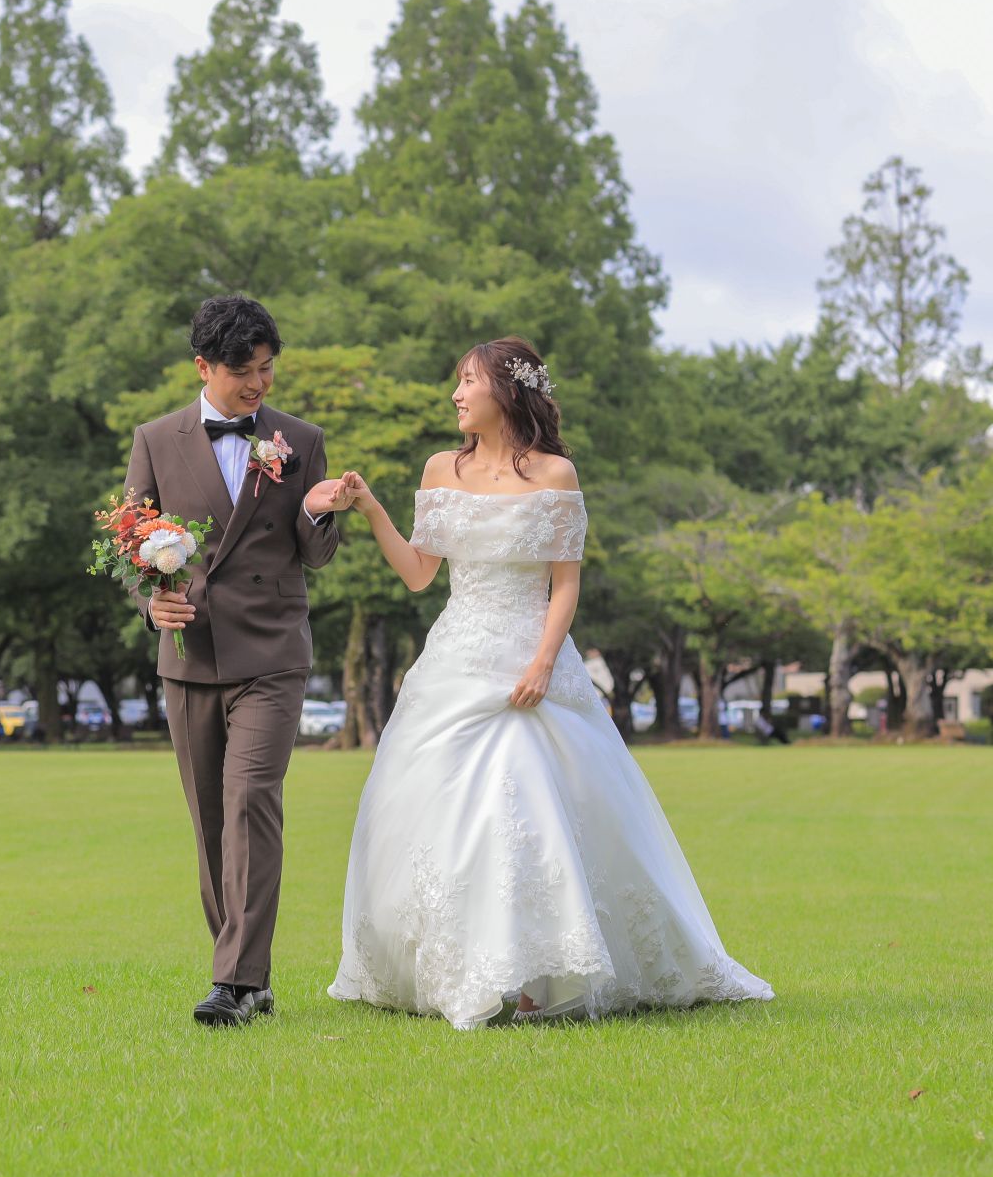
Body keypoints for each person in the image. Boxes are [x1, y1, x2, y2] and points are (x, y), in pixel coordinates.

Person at [327, 336, 773, 1029]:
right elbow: (420, 573)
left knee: (530, 808)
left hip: (531, 660)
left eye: (468, 382)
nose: (456, 395)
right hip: (455, 661)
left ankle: (538, 980)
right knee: (443, 817)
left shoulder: (556, 476)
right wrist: (370, 509)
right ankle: (458, 971)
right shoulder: (440, 468)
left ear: (506, 392)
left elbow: (565, 586)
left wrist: (540, 663)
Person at [121, 295, 354, 1027]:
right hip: (188, 655)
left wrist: (320, 510)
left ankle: (233, 981)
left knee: (252, 801)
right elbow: (133, 543)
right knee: (210, 821)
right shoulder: (155, 440)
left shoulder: (300, 439)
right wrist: (150, 600)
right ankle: (248, 974)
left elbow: (313, 554)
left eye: (267, 370)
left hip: (272, 654)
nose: (258, 386)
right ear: (202, 367)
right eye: (242, 372)